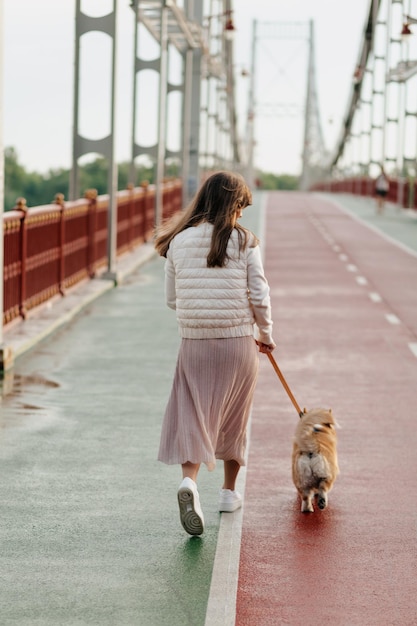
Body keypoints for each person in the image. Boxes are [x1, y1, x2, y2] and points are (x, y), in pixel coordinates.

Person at [154, 171, 276, 536]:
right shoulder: (245, 241)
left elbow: (171, 299)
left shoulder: (178, 241)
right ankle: (227, 493)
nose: (241, 215)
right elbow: (260, 295)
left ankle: (189, 483)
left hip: (194, 342)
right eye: (241, 207)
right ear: (233, 205)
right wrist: (266, 335)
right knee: (235, 416)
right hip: (238, 342)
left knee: (192, 412)